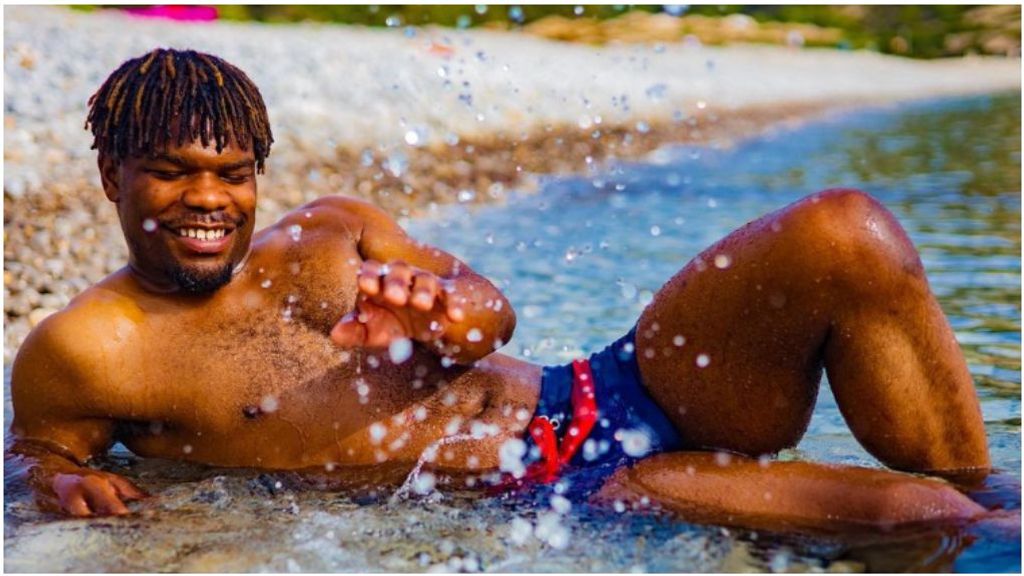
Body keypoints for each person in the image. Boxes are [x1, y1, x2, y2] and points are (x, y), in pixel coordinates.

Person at [8, 49, 992, 528]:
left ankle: (976, 474)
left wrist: (447, 314)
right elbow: (38, 450)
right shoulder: (90, 347)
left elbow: (489, 306)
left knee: (845, 229)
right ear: (112, 176)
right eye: (173, 171)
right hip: (564, 490)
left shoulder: (333, 232)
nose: (209, 200)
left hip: (610, 393)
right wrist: (60, 478)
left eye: (232, 172)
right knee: (930, 528)